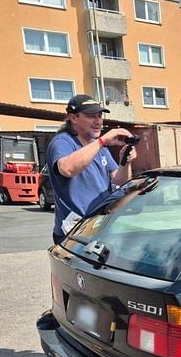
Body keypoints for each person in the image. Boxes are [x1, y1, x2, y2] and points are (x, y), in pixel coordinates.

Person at [47, 94, 137, 244]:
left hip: (99, 227)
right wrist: (103, 141)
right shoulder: (63, 142)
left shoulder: (99, 147)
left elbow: (120, 181)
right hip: (74, 232)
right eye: (91, 116)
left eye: (99, 116)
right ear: (73, 117)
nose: (98, 121)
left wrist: (125, 162)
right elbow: (67, 169)